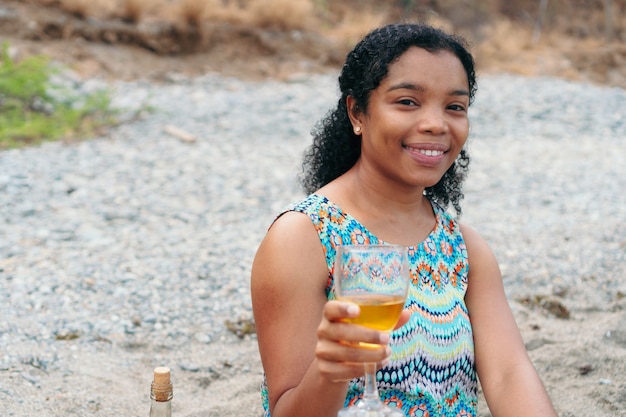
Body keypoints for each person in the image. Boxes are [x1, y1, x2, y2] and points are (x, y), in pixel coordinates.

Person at [251, 23, 557, 417]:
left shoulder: (462, 248)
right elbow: (285, 409)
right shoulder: (302, 236)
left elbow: (509, 375)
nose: (436, 124)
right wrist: (332, 371)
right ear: (357, 112)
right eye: (408, 102)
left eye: (455, 107)